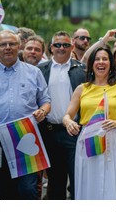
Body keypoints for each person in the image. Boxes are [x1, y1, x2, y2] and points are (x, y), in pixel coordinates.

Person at [63, 45, 116, 199]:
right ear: (91, 64)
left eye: (105, 59)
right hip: (89, 140)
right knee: (91, 181)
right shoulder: (82, 89)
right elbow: (67, 115)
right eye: (97, 59)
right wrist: (69, 122)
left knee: (114, 181)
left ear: (110, 63)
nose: (101, 62)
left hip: (113, 140)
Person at [0, 30, 51, 199]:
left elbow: (46, 101)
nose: (7, 48)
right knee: (3, 188)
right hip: (0, 141)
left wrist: (42, 111)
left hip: (26, 137)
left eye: (12, 44)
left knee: (27, 190)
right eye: (3, 44)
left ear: (19, 46)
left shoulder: (33, 73)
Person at [37, 31, 86, 200]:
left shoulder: (82, 69)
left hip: (74, 132)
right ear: (51, 48)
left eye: (65, 45)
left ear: (72, 47)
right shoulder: (40, 70)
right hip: (49, 132)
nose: (61, 48)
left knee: (78, 180)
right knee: (55, 183)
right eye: (57, 45)